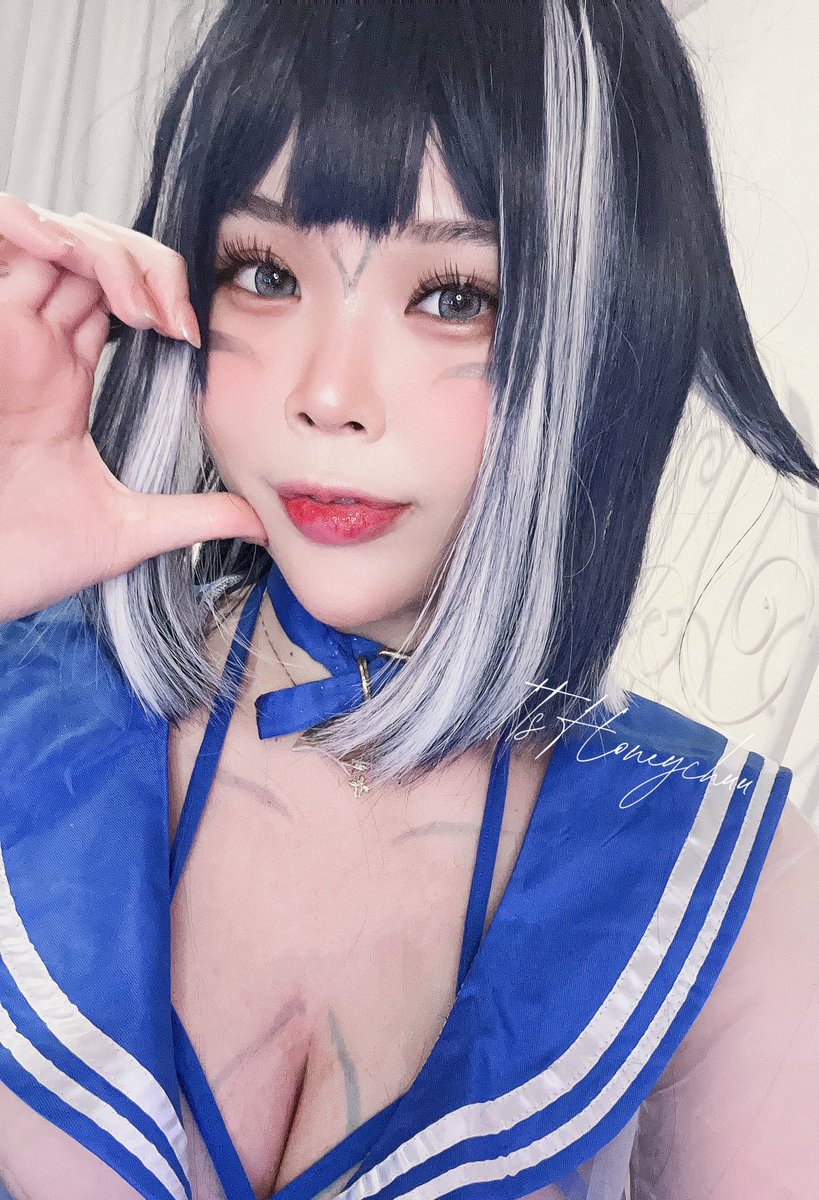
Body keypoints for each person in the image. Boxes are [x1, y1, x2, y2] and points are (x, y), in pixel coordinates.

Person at [0, 1, 818, 1197]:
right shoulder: (26, 700)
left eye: (453, 295)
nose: (330, 395)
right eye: (266, 273)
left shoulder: (724, 875)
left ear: (609, 335)